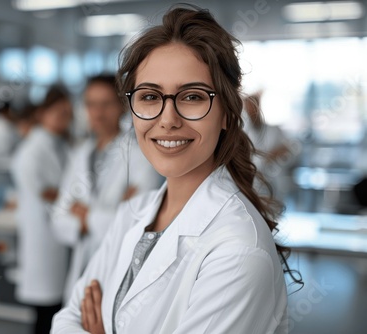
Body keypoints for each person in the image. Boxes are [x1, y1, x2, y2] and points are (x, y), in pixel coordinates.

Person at [53, 6, 301, 333]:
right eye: (150, 96)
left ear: (226, 113)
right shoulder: (132, 213)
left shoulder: (238, 250)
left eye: (193, 96)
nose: (167, 119)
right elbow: (66, 321)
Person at [51, 75, 162, 304]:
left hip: (121, 272)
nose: (98, 113)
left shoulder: (141, 155)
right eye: (91, 104)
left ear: (122, 105)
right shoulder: (80, 155)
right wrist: (110, 212)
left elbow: (138, 222)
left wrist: (86, 216)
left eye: (106, 104)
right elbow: (58, 218)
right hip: (82, 270)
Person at [10, 85, 73, 334]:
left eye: (68, 113)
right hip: (42, 235)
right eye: (59, 113)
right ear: (42, 113)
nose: (64, 118)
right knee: (45, 309)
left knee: (57, 305)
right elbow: (46, 191)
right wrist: (75, 200)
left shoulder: (59, 144)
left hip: (58, 232)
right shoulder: (32, 150)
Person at [243, 92, 295, 200]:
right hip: (252, 185)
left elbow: (290, 150)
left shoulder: (274, 131)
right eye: (249, 108)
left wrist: (277, 154)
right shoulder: (242, 134)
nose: (252, 111)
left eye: (254, 107)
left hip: (274, 183)